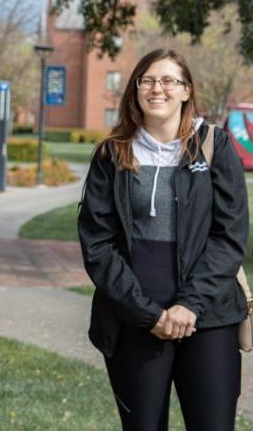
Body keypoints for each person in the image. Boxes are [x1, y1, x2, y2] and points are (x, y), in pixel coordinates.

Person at [78, 49, 248, 430]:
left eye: (169, 80)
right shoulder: (112, 153)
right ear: (136, 89)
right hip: (135, 321)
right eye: (148, 80)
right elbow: (98, 245)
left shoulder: (214, 146)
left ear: (186, 90)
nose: (158, 88)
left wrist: (189, 304)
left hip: (209, 318)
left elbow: (230, 236)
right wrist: (147, 313)